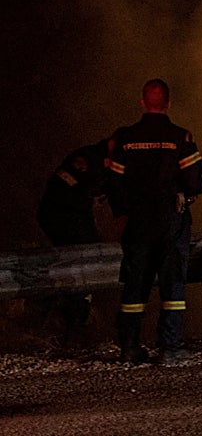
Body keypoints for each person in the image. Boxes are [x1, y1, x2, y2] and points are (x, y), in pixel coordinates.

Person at [105, 79, 202, 365]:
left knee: (135, 284)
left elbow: (114, 181)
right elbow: (194, 178)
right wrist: (187, 193)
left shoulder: (125, 138)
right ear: (169, 103)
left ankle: (130, 347)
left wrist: (121, 214)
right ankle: (169, 349)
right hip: (170, 217)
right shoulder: (180, 137)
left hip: (137, 220)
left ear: (142, 102)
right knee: (172, 282)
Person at [37, 140, 105, 348]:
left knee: (81, 273)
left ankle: (71, 326)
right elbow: (64, 192)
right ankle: (71, 329)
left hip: (69, 219)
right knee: (80, 272)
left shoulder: (95, 159)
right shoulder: (89, 160)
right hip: (64, 220)